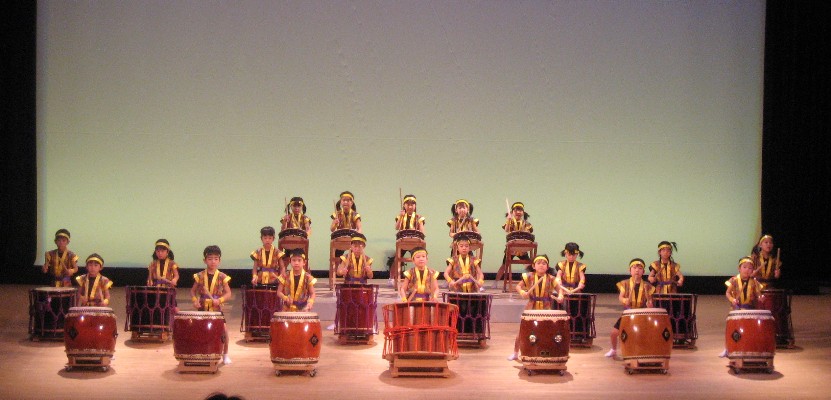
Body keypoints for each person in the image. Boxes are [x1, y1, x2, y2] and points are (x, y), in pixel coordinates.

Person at [508, 254, 564, 361]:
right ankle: (515, 353)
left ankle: (546, 353)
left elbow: (559, 289)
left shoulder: (551, 278)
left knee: (546, 331)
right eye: (539, 263)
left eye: (544, 263)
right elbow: (518, 286)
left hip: (546, 308)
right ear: (534, 266)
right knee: (523, 330)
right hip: (531, 306)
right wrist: (522, 292)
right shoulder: (529, 276)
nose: (541, 265)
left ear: (547, 267)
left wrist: (560, 296)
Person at [604, 259, 655, 358]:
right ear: (630, 270)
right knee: (614, 333)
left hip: (641, 314)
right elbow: (621, 297)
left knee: (643, 334)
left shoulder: (647, 286)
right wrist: (624, 300)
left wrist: (649, 304)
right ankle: (613, 350)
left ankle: (643, 351)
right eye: (634, 268)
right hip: (628, 313)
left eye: (640, 268)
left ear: (643, 271)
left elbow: (650, 301)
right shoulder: (625, 283)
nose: (637, 270)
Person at [190, 245, 232, 364]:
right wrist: (195, 300)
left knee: (224, 331)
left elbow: (228, 293)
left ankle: (225, 354)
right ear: (205, 260)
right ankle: (199, 353)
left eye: (215, 259)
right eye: (210, 259)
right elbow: (192, 291)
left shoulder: (222, 276)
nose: (213, 261)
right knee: (199, 330)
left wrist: (220, 300)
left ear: (219, 260)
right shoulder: (199, 276)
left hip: (216, 309)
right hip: (203, 308)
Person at [719, 256, 764, 357]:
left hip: (750, 309)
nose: (747, 270)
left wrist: (761, 297)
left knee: (749, 330)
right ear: (739, 268)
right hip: (736, 309)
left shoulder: (754, 282)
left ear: (753, 270)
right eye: (744, 267)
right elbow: (728, 293)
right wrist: (732, 300)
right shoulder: (734, 280)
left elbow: (758, 294)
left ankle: (749, 348)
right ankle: (728, 349)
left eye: (750, 268)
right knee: (732, 330)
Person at [495, 202, 533, 287]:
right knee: (504, 265)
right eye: (516, 210)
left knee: (529, 266)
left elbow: (528, 233)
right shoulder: (510, 221)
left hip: (522, 248)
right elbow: (506, 230)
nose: (518, 212)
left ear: (523, 212)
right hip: (511, 248)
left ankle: (529, 282)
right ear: (512, 212)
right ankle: (496, 282)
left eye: (520, 210)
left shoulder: (526, 223)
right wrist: (508, 220)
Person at [331, 191, 362, 259]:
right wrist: (335, 224)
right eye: (344, 200)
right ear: (341, 202)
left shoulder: (355, 215)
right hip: (339, 239)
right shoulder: (337, 214)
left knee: (354, 254)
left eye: (348, 200)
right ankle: (337, 264)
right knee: (337, 255)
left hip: (352, 239)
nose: (345, 202)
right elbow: (332, 229)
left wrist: (357, 238)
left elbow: (359, 228)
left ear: (352, 203)